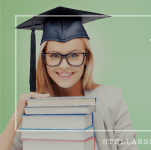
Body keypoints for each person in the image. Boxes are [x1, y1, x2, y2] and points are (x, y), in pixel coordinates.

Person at [0, 6, 138, 150]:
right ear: (43, 60)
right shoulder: (32, 109)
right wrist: (15, 118)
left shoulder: (111, 99)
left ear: (86, 58)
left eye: (74, 55)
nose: (64, 66)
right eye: (54, 55)